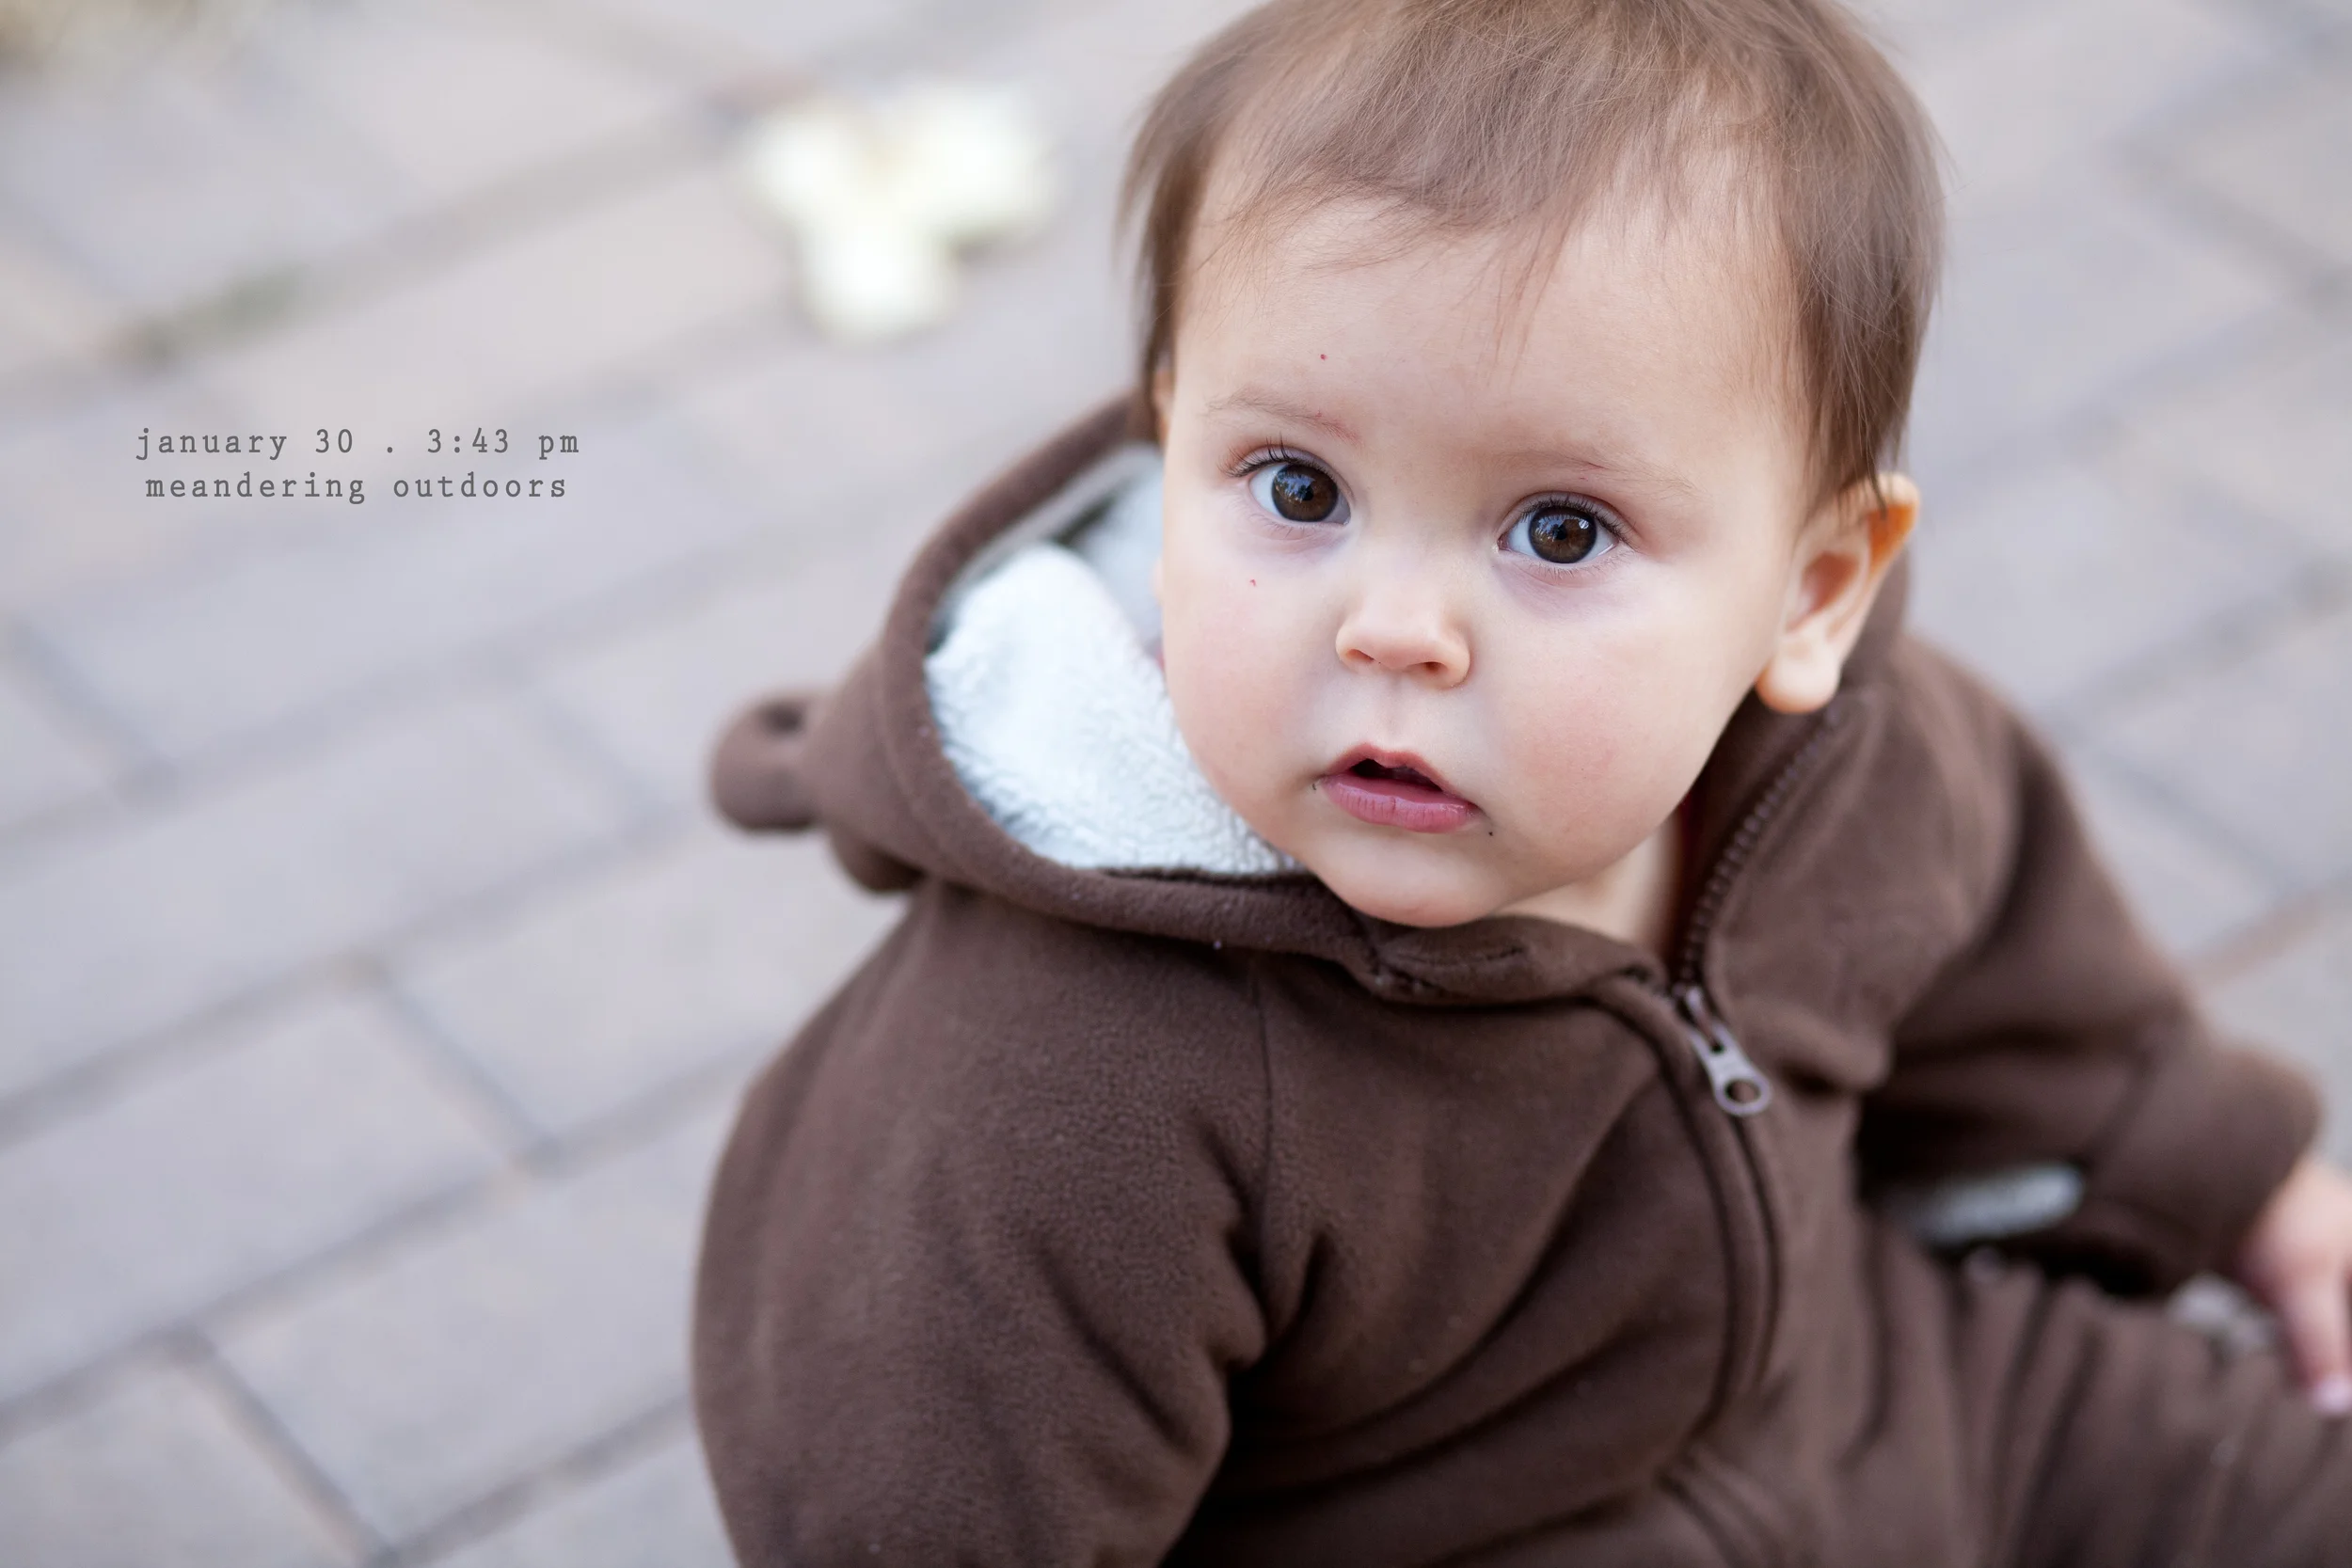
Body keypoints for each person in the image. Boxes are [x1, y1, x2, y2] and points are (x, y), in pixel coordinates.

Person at [691, 0, 2352, 1560]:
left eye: (1560, 529)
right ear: (1170, 437)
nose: (1397, 629)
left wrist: (2236, 1179)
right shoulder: (1060, 1085)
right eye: (1297, 486)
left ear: (1812, 589)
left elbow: (2024, 988)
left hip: (1909, 1403)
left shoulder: (1843, 764)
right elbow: (917, 1501)